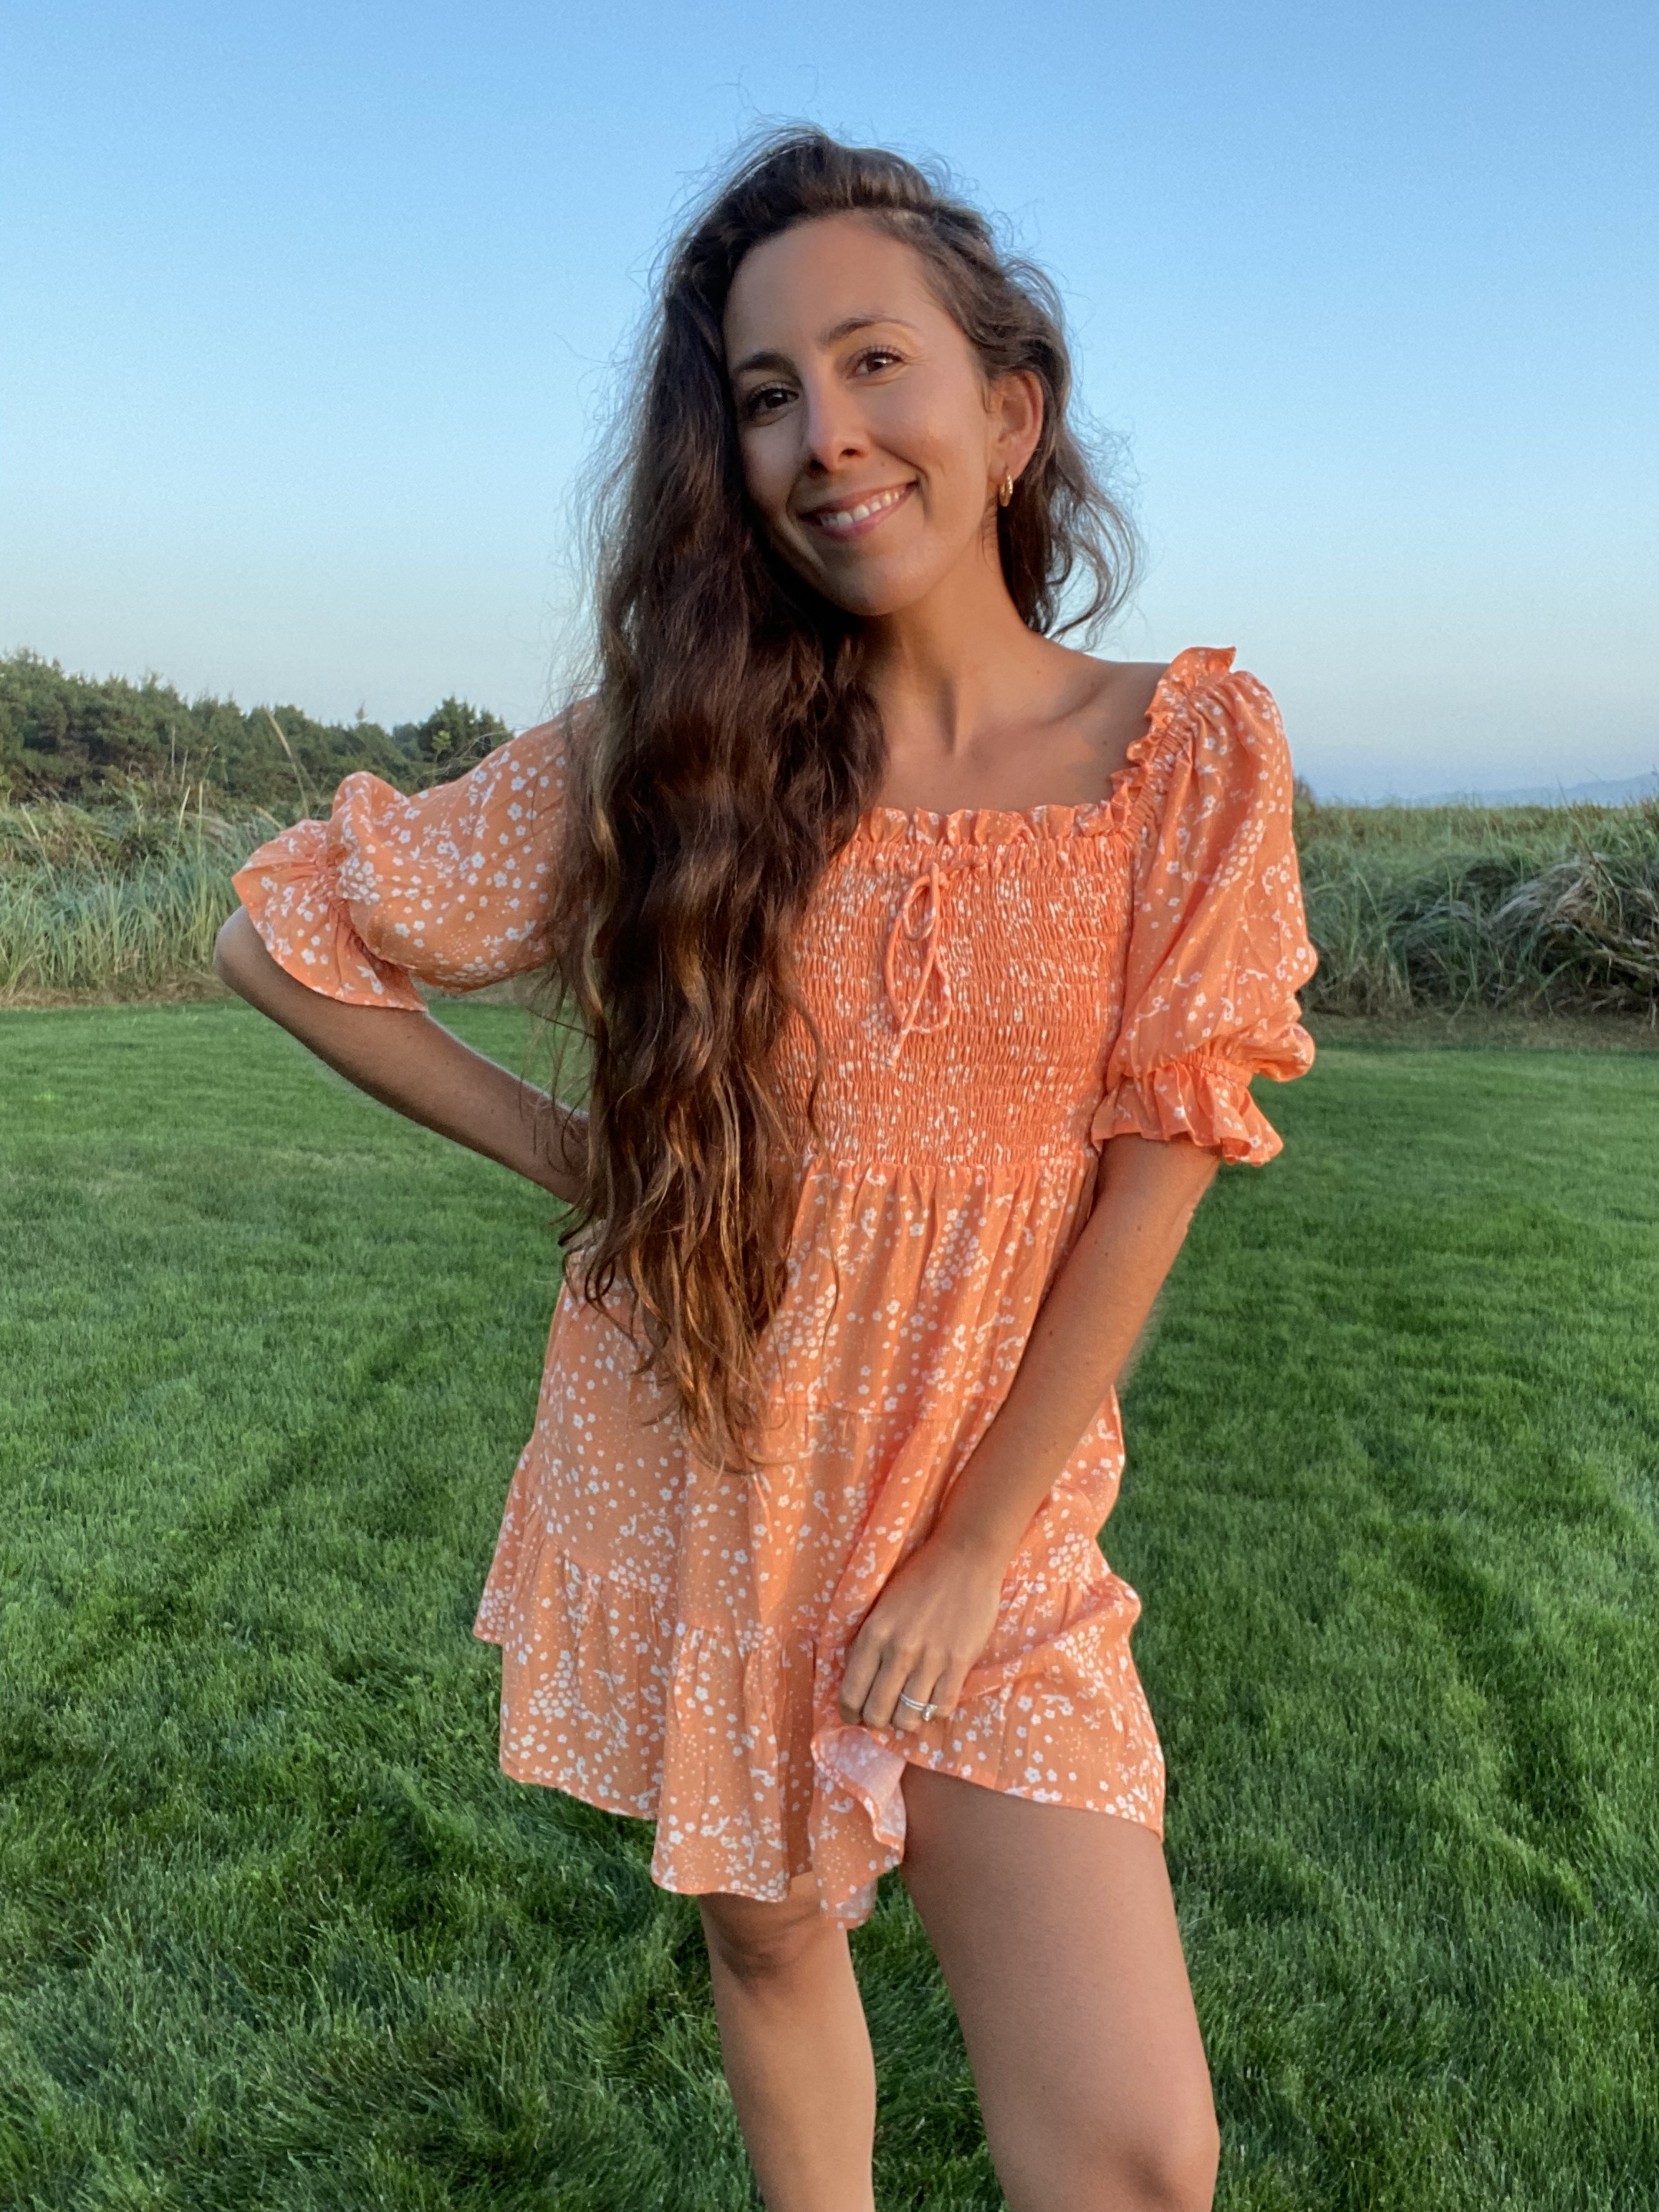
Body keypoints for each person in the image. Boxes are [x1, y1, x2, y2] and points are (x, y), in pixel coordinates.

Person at [216, 128, 1317, 2212]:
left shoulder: (1182, 751)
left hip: (992, 1509)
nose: (824, 437)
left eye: (871, 363)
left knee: (1141, 2158)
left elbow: (1161, 1161)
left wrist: (982, 1543)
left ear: (1009, 408)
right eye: (763, 395)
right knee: (766, 1924)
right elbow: (280, 933)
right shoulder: (678, 748)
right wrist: (587, 1162)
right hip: (717, 1449)